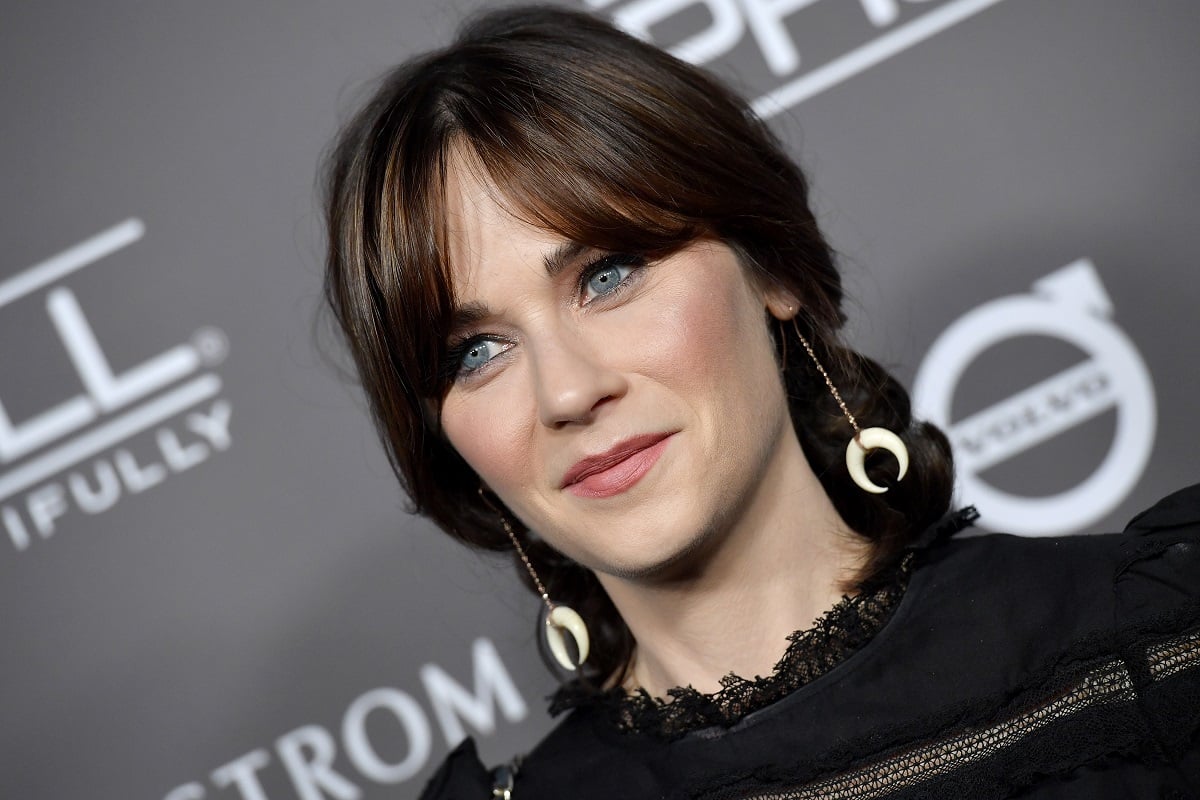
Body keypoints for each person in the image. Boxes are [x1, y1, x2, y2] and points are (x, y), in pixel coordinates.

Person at [320, 6, 1200, 798]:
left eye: (608, 275)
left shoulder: (1160, 645)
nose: (569, 391)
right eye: (476, 352)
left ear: (771, 267)